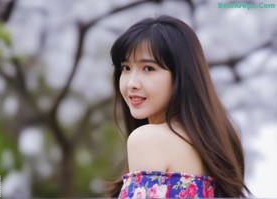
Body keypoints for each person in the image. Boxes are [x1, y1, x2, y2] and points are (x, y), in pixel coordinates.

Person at [107, 15, 250, 198]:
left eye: (148, 68)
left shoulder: (148, 139)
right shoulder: (216, 146)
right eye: (126, 68)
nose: (131, 83)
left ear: (181, 76)